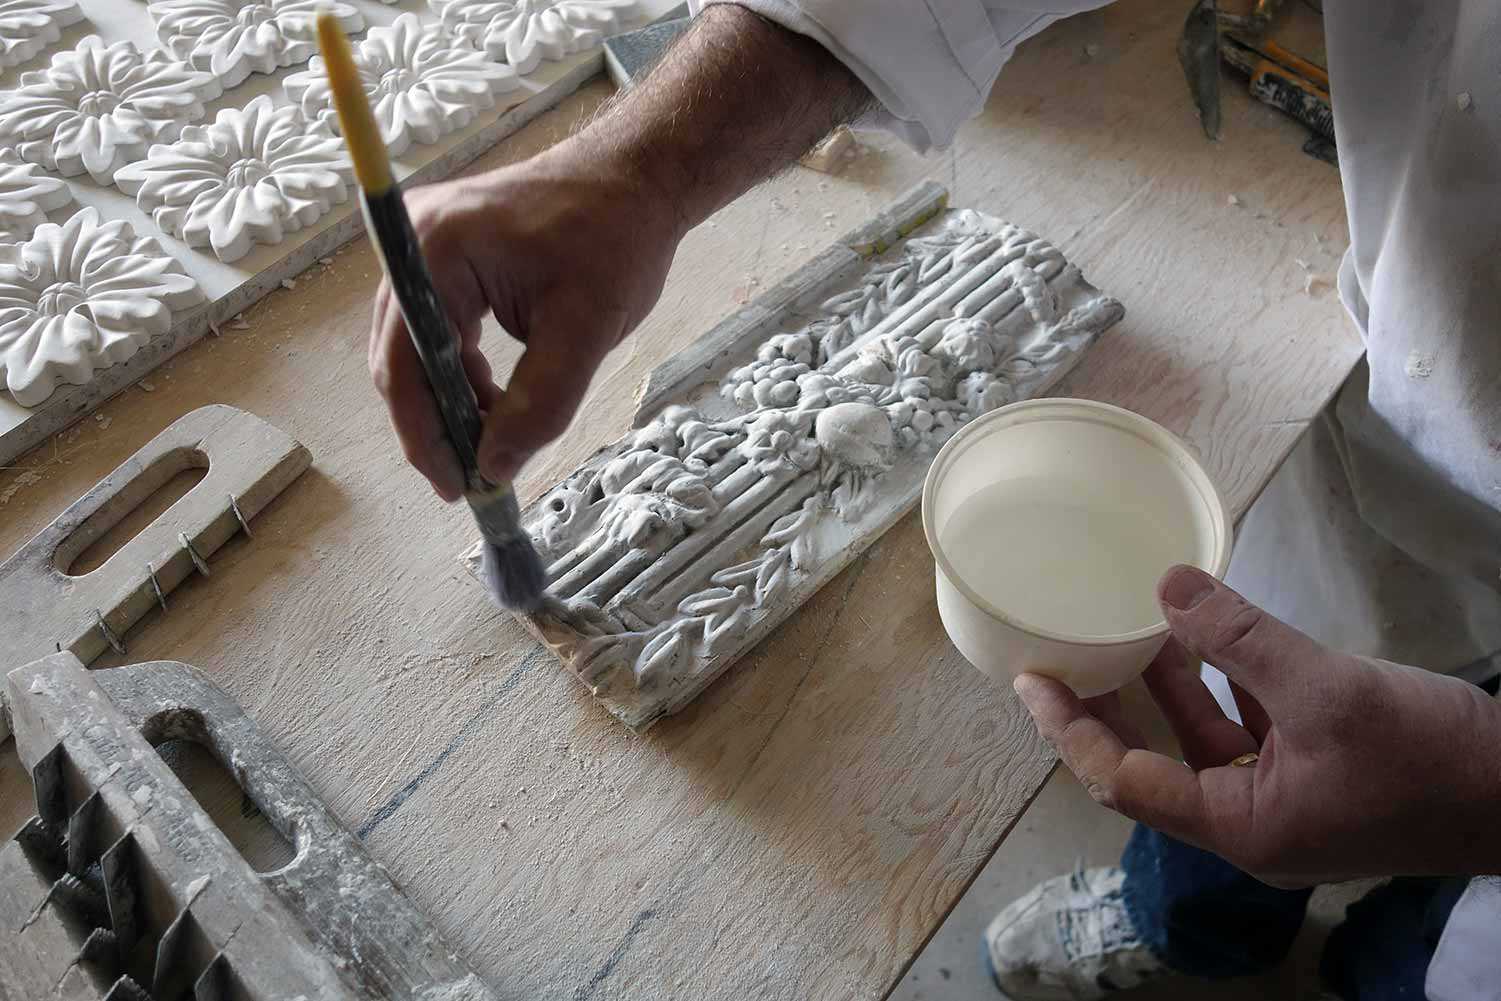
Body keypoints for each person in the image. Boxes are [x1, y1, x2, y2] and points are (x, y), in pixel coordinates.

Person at [368, 3, 1501, 998]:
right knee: (1255, 712)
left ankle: (1388, 961)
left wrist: (1477, 790)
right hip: (1409, 378)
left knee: (1430, 943)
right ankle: (1189, 927)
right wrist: (644, 164)